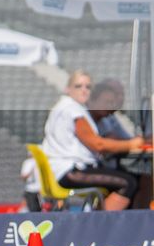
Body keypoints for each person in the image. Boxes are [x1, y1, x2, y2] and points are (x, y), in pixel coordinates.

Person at [43, 71, 152, 210]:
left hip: (71, 169)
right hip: (70, 171)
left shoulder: (70, 107)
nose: (84, 90)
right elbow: (97, 144)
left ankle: (133, 222)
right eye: (78, 86)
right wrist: (131, 144)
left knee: (139, 179)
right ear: (68, 89)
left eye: (88, 87)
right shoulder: (72, 109)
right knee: (128, 183)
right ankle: (103, 226)